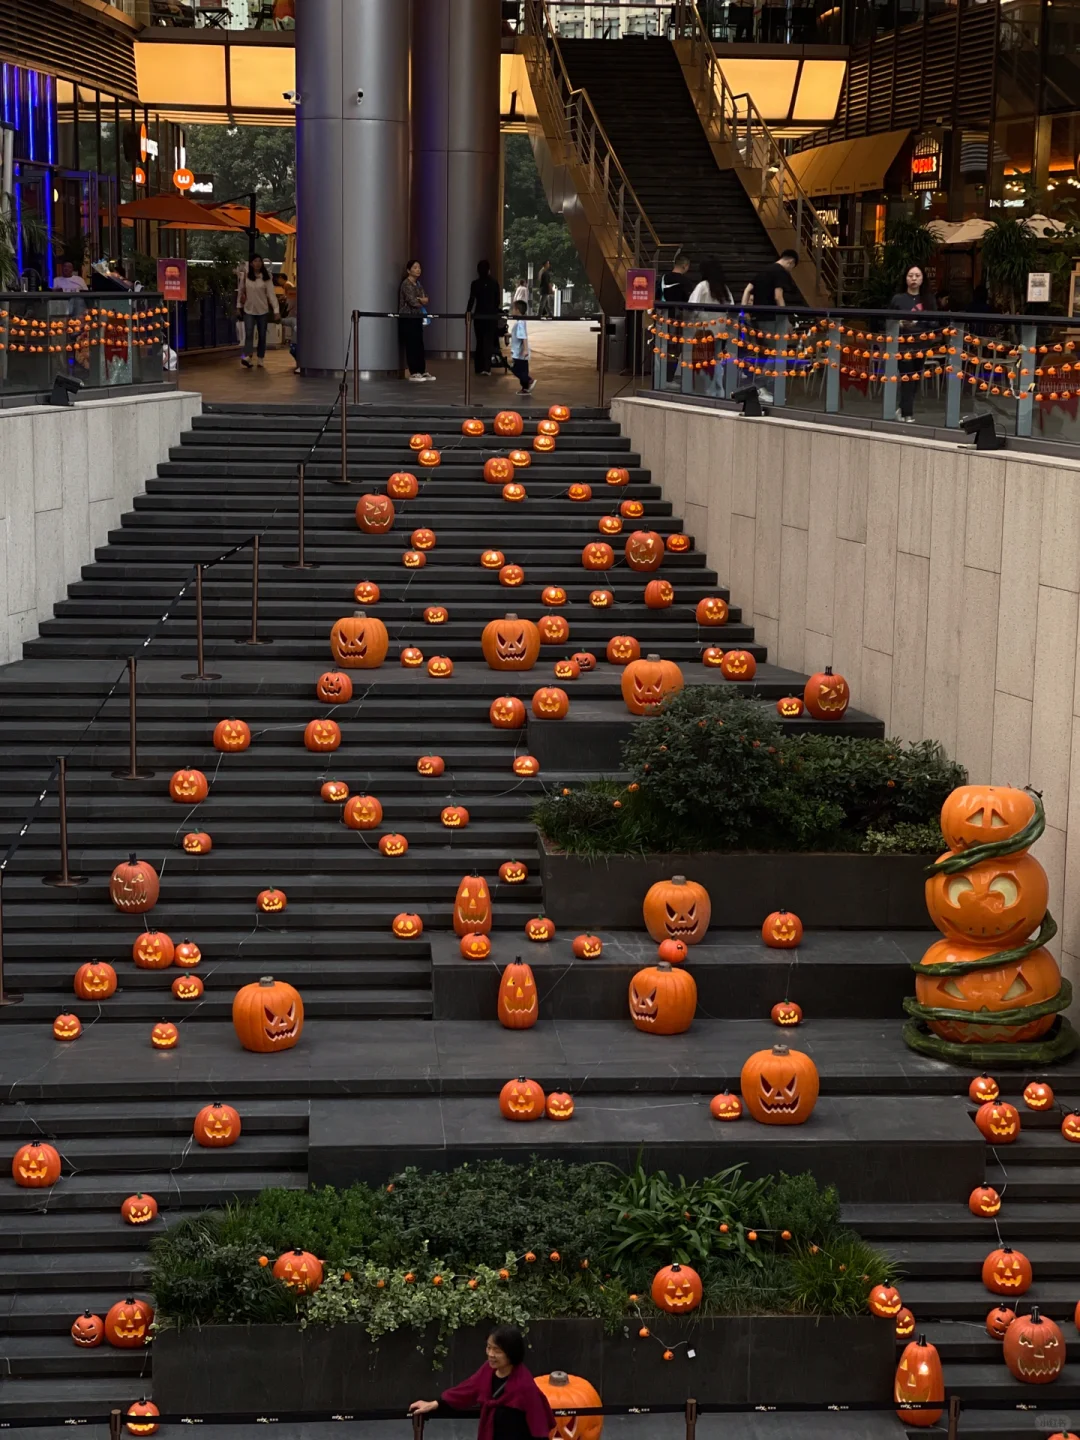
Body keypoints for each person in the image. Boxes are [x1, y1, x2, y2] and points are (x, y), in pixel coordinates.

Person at [409, 1325, 555, 1440]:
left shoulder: (524, 1386)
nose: (490, 1354)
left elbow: (538, 1427)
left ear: (512, 1352)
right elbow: (466, 1391)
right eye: (488, 1347)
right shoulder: (487, 1371)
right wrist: (435, 1404)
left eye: (497, 1350)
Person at [890, 263, 937, 423]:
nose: (914, 279)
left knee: (915, 379)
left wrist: (920, 321)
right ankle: (907, 414)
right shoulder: (898, 299)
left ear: (923, 278)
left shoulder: (929, 300)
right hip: (903, 346)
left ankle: (903, 409)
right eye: (911, 275)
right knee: (907, 378)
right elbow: (888, 321)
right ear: (905, 278)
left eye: (917, 276)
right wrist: (900, 324)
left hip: (922, 346)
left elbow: (935, 323)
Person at [238, 254, 279, 369]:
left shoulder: (266, 277)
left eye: (259, 261)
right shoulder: (245, 277)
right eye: (255, 261)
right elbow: (241, 292)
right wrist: (238, 306)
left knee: (262, 334)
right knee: (249, 333)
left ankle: (260, 357)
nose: (257, 263)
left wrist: (276, 310)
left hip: (263, 310)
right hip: (249, 309)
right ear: (251, 263)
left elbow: (271, 295)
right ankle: (248, 356)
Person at [399, 258, 434, 382]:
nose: (418, 270)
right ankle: (414, 371)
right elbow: (413, 302)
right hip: (408, 317)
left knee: (419, 344)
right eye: (414, 267)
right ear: (409, 270)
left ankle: (422, 370)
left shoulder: (418, 284)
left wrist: (420, 299)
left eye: (419, 267)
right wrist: (420, 300)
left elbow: (426, 299)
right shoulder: (406, 284)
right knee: (411, 344)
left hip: (418, 317)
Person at [467, 259, 502, 376]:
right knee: (488, 342)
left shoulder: (475, 284)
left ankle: (478, 367)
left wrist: (467, 312)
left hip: (479, 315)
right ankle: (487, 368)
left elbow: (471, 300)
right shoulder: (494, 283)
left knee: (479, 341)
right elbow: (497, 301)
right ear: (489, 270)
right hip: (491, 316)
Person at [509, 299, 535, 395]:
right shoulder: (521, 322)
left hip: (520, 353)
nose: (512, 311)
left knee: (516, 369)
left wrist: (524, 349)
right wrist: (510, 334)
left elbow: (523, 336)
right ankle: (525, 387)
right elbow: (519, 335)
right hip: (520, 352)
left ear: (517, 310)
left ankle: (528, 381)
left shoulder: (520, 323)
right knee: (522, 370)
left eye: (513, 309)